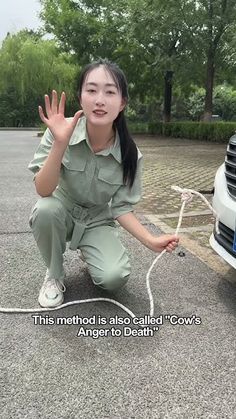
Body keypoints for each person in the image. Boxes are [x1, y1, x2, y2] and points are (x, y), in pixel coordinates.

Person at [28, 58, 179, 308]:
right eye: (91, 90)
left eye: (110, 92)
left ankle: (92, 253)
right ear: (81, 96)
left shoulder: (130, 154)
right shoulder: (59, 131)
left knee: (114, 278)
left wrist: (151, 240)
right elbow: (43, 190)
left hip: (97, 219)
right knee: (45, 209)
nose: (100, 100)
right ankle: (54, 274)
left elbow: (121, 208)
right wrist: (60, 142)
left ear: (122, 103)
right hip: (60, 211)